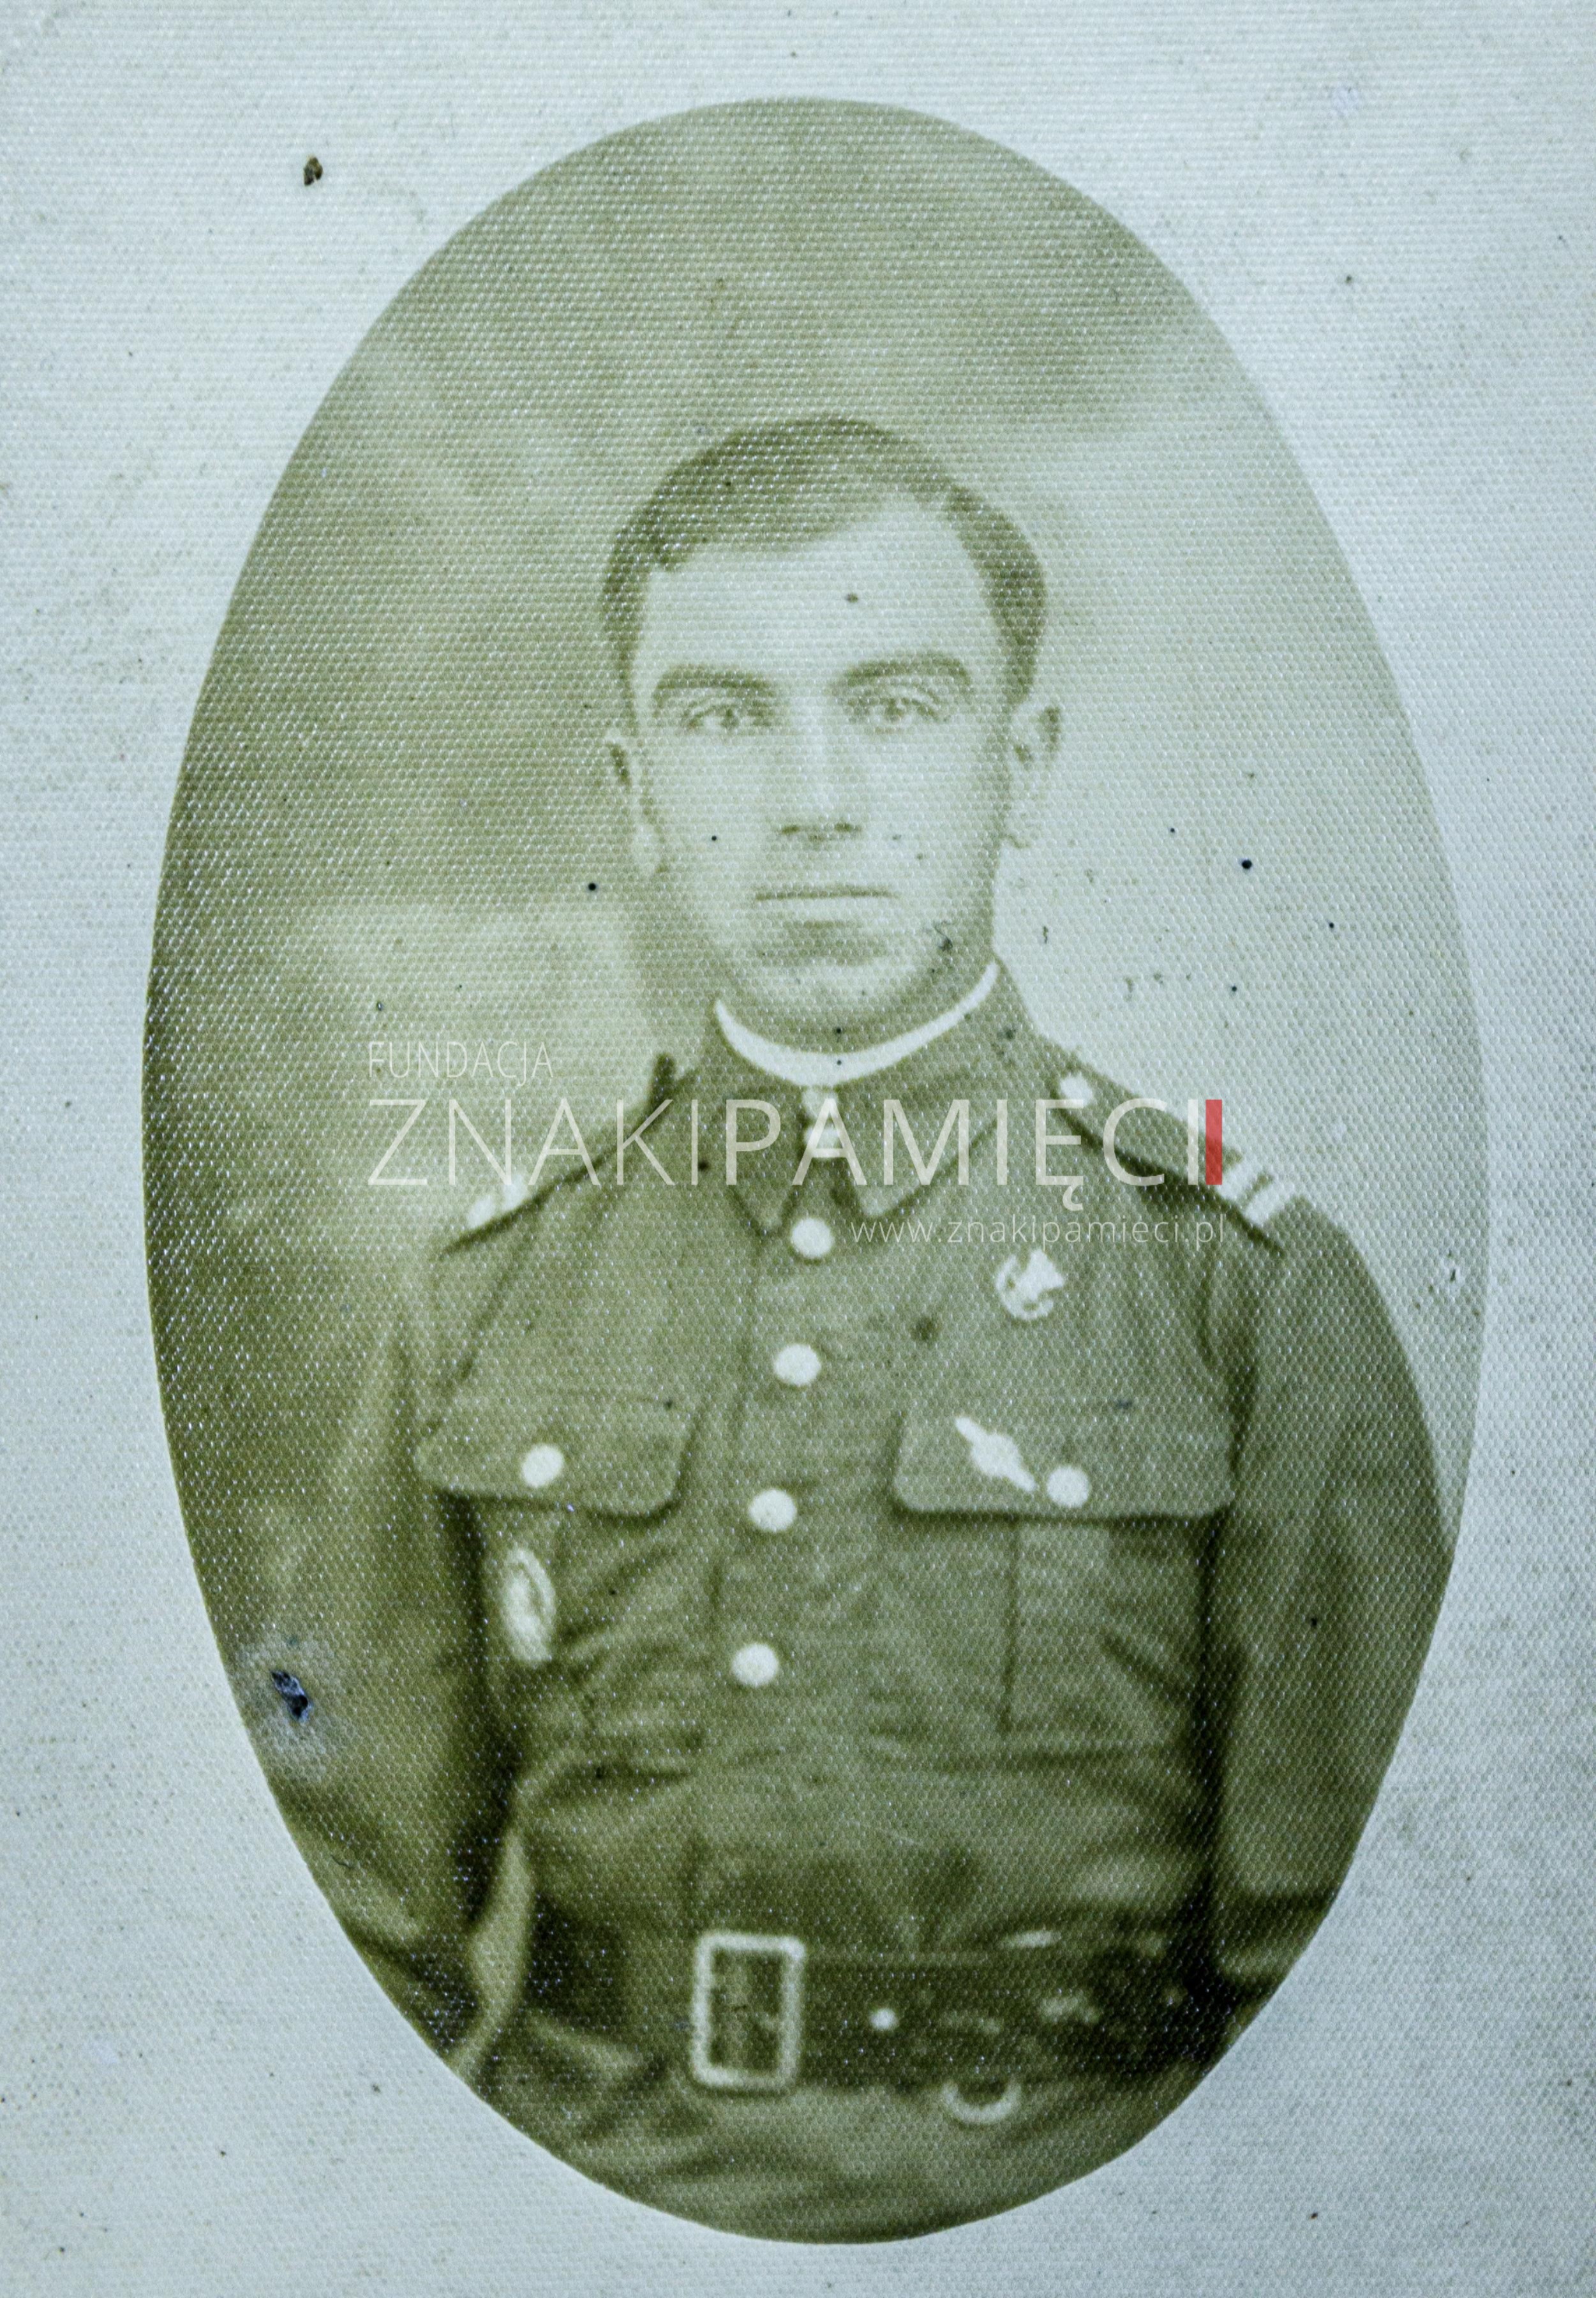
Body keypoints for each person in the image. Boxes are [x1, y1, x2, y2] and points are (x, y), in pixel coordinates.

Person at [262, 417, 1448, 2241]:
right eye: (724, 717)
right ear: (634, 790)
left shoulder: (1242, 1294)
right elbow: (324, 1933)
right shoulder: (486, 1293)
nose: (814, 800)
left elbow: (1364, 2002)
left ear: (1016, 768)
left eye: (894, 707)